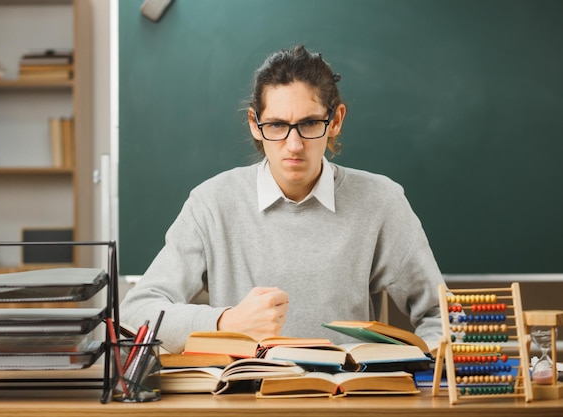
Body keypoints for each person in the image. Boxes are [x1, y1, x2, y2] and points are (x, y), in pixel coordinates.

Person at [120, 44, 445, 354]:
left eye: (309, 123)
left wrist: (418, 370)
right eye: (276, 125)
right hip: (245, 398)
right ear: (255, 125)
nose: (293, 145)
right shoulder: (212, 203)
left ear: (335, 121)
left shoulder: (381, 201)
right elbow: (136, 312)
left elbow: (443, 318)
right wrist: (225, 322)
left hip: (347, 400)